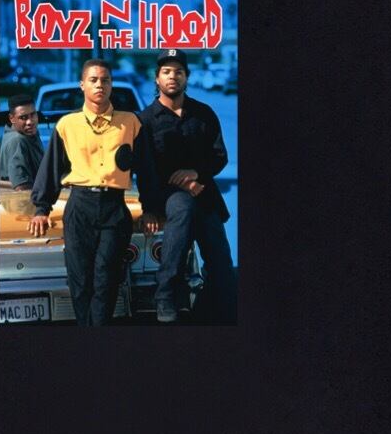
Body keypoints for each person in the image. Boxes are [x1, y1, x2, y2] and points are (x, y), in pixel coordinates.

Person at [30, 60, 163, 326]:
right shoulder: (67, 125)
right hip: (79, 207)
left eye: (105, 80)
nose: (99, 85)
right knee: (80, 281)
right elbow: (51, 169)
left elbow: (147, 170)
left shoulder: (131, 122)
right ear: (82, 85)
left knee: (106, 279)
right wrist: (41, 209)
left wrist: (151, 209)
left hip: (114, 208)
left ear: (111, 85)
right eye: (93, 80)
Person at [137, 48, 237, 324]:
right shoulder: (145, 121)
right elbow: (145, 171)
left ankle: (213, 310)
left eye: (179, 72)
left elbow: (219, 156)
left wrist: (195, 174)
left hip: (205, 196)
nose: (173, 76)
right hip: (169, 197)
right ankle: (165, 295)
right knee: (182, 207)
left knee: (222, 269)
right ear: (157, 78)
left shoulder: (203, 113)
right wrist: (150, 209)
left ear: (187, 77)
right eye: (166, 72)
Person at [0, 93, 44, 189]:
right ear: (12, 118)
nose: (30, 122)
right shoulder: (17, 141)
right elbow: (21, 187)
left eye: (33, 115)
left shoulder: (30, 133)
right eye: (23, 118)